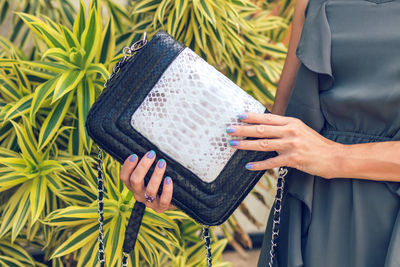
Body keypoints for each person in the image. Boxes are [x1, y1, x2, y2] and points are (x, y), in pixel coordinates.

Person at [120, 0, 400, 265]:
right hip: (313, 222)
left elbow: (313, 149)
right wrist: (185, 189)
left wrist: (333, 156)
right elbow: (272, 134)